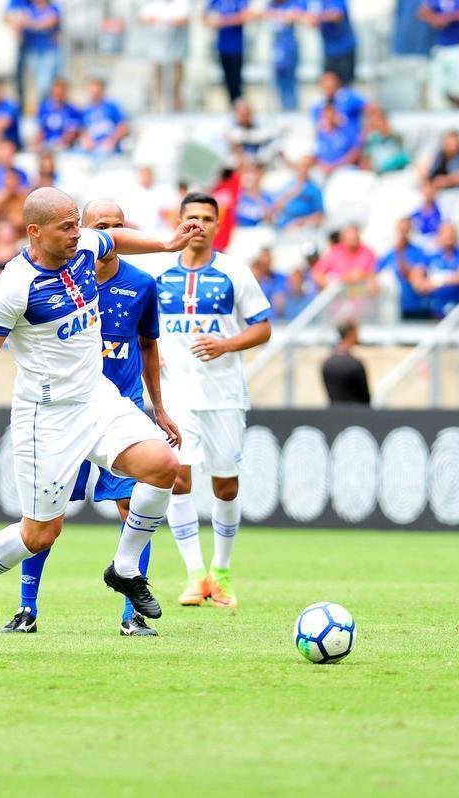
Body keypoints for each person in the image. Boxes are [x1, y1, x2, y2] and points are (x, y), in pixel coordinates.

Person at [0, 187, 204, 649]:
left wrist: (166, 243)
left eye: (76, 224)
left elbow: (116, 239)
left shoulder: (84, 245)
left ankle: (124, 569)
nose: (77, 233)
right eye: (66, 226)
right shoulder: (13, 287)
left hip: (96, 398)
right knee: (40, 534)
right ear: (34, 232)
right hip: (47, 417)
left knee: (164, 466)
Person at [3, 198, 178, 637]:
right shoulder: (63, 275)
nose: (111, 232)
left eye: (119, 225)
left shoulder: (141, 284)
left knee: (131, 505)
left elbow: (149, 346)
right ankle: (27, 609)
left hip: (116, 410)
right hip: (65, 411)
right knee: (46, 521)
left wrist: (158, 406)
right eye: (103, 225)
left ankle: (130, 613)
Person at [148, 191, 272, 610]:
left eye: (206, 217)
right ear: (179, 223)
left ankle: (221, 571)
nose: (198, 224)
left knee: (225, 483)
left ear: (217, 225)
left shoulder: (235, 272)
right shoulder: (158, 271)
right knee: (177, 478)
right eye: (191, 217)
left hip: (223, 395)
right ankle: (194, 575)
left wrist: (227, 344)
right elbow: (138, 320)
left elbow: (263, 327)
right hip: (175, 393)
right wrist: (151, 347)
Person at [7, 0, 62, 112]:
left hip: (48, 50)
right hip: (32, 50)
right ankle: (38, 110)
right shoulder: (28, 8)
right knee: (35, 84)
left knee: (45, 84)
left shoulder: (53, 7)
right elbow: (14, 20)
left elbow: (51, 21)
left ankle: (45, 109)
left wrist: (30, 24)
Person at [419, 0, 459, 109]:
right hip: (439, 46)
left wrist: (449, 17)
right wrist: (435, 19)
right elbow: (422, 11)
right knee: (437, 89)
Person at [377, 217, 433, 320]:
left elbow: (413, 275)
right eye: (401, 230)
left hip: (417, 307)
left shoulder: (419, 252)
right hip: (395, 309)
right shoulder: (389, 254)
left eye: (406, 230)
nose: (403, 234)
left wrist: (400, 254)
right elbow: (375, 273)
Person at [140, 0, 191, 112]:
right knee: (157, 87)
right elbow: (143, 19)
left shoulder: (182, 4)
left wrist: (161, 20)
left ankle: (177, 111)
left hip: (176, 55)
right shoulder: (153, 5)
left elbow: (184, 20)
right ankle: (160, 110)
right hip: (157, 55)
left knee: (175, 87)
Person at [415, 222, 459, 318]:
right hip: (434, 313)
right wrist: (453, 277)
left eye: (451, 235)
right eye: (445, 235)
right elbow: (419, 284)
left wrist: (439, 280)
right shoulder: (430, 257)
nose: (448, 238)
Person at [206, 0, 250, 105]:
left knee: (236, 81)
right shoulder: (216, 2)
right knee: (226, 81)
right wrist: (229, 20)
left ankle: (238, 107)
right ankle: (233, 107)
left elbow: (245, 16)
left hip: (237, 48)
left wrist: (223, 21)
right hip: (221, 47)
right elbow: (205, 18)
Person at [264, 0, 305, 111]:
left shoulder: (293, 3)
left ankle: (291, 110)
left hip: (288, 50)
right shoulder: (270, 5)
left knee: (289, 83)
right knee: (278, 84)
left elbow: (299, 15)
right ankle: (281, 110)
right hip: (276, 50)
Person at [307, 0, 357, 84]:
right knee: (328, 84)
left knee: (344, 86)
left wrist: (319, 17)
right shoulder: (317, 3)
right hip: (329, 51)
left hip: (344, 49)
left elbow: (337, 15)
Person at [321, 320, 371, 404]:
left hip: (334, 413)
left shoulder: (327, 363)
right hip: (356, 414)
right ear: (351, 334)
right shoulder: (355, 364)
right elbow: (365, 398)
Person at [313, 224, 376, 289]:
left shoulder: (367, 252)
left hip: (360, 290)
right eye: (349, 239)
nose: (352, 242)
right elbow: (317, 272)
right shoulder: (335, 252)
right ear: (342, 239)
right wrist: (328, 284)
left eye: (354, 239)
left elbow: (373, 273)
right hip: (338, 292)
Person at [79, 77, 129, 156]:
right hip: (91, 150)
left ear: (102, 90)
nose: (94, 93)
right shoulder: (86, 110)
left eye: (97, 90)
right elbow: (83, 130)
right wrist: (87, 140)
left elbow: (123, 127)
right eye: (92, 90)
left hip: (110, 150)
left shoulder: (112, 106)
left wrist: (112, 140)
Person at [271, 158, 325, 230]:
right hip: (284, 225)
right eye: (299, 168)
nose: (302, 170)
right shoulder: (287, 186)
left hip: (304, 227)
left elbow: (319, 214)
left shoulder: (314, 189)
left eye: (305, 167)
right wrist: (290, 195)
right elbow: (275, 207)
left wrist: (301, 221)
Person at [34, 77, 81, 150]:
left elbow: (72, 133)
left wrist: (59, 143)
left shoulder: (72, 110)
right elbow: (40, 131)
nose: (58, 96)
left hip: (65, 147)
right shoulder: (43, 109)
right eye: (56, 93)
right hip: (46, 147)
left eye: (61, 93)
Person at [361, 105, 410, 174]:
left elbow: (405, 159)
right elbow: (365, 162)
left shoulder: (397, 138)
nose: (374, 124)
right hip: (375, 175)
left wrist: (385, 168)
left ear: (384, 121)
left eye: (377, 120)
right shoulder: (372, 139)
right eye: (372, 121)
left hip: (394, 175)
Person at [315, 102, 361, 174]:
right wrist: (323, 166)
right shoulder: (320, 134)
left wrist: (335, 165)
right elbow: (316, 156)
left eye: (330, 115)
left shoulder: (346, 130)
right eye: (325, 116)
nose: (327, 118)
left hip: (344, 168)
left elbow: (355, 152)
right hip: (324, 170)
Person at [251, 247, 289, 316]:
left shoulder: (280, 278)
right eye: (263, 261)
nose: (265, 263)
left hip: (277, 320)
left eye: (268, 260)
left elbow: (280, 301)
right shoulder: (254, 282)